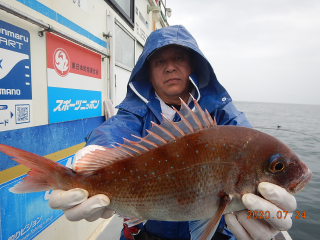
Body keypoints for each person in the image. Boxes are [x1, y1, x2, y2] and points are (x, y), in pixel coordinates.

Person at [48, 25, 296, 240]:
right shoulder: (136, 113)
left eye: (178, 58)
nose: (169, 68)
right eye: (159, 61)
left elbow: (252, 150)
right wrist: (95, 153)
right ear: (148, 72)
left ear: (193, 65)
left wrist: (264, 212)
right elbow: (114, 130)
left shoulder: (223, 115)